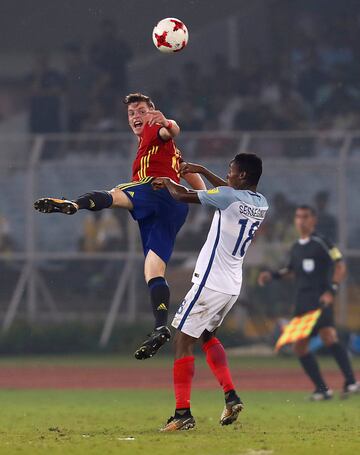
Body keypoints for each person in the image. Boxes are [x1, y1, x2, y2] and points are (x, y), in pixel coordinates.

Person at [34, 92, 205, 359]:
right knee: (153, 269)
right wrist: (203, 198)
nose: (136, 116)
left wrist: (168, 123)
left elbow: (170, 129)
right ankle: (161, 326)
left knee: (116, 194)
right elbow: (187, 170)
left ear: (152, 112)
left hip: (155, 188)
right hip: (175, 206)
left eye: (141, 110)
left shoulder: (153, 129)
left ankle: (75, 204)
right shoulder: (169, 151)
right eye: (131, 113)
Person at [152, 153, 268, 431]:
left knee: (182, 341)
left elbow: (182, 196)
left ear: (241, 175)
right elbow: (227, 191)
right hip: (231, 286)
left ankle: (182, 414)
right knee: (206, 336)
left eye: (230, 170)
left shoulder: (228, 197)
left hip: (210, 281)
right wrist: (202, 169)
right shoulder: (261, 203)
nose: (227, 174)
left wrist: (168, 181)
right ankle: (231, 396)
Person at [258, 205, 359, 400]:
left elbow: (341, 265)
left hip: (320, 299)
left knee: (329, 336)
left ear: (314, 220)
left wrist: (332, 290)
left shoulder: (322, 242)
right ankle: (323, 388)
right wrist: (272, 275)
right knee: (300, 347)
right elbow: (290, 269)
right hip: (302, 302)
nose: (300, 220)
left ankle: (350, 382)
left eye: (305, 216)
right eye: (298, 217)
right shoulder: (296, 247)